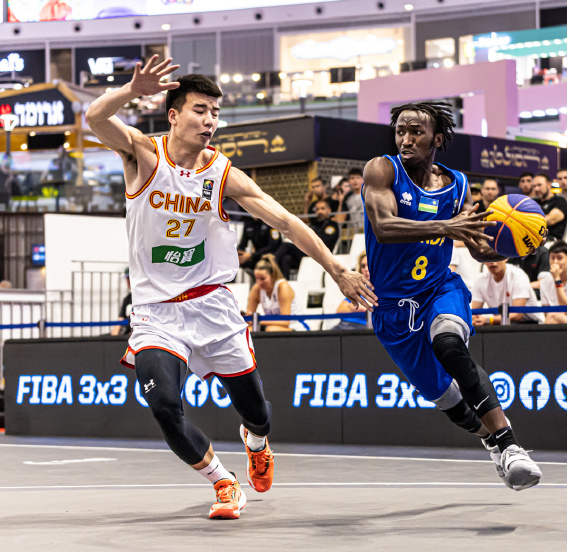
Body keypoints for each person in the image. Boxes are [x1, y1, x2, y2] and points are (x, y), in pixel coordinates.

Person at [86, 57, 376, 520]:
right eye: (200, 110)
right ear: (173, 114)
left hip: (213, 307)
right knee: (164, 406)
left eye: (216, 113)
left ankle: (256, 442)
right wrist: (130, 90)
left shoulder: (224, 175)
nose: (210, 121)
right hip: (156, 314)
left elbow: (286, 222)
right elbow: (95, 118)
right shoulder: (142, 154)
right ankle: (223, 481)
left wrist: (337, 269)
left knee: (257, 411)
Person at [363, 100, 542, 491]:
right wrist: (446, 227)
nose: (406, 139)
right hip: (393, 310)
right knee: (449, 402)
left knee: (448, 344)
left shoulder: (458, 184)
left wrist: (517, 246)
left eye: (416, 132)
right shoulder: (382, 170)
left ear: (437, 139)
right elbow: (384, 227)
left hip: (438, 288)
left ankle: (511, 447)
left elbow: (477, 249)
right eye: (401, 131)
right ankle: (491, 441)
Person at [274, 199, 340, 278]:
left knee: (286, 246)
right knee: (286, 259)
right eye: (317, 209)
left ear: (329, 210)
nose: (319, 211)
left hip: (320, 255)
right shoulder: (315, 225)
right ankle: (284, 282)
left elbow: (323, 241)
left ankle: (271, 262)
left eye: (322, 208)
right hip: (308, 253)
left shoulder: (331, 225)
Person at [471, 260, 543, 325]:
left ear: (505, 258)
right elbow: (475, 313)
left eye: (495, 257)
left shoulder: (518, 276)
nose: (492, 262)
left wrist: (488, 320)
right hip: (500, 322)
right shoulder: (480, 280)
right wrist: (477, 320)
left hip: (528, 323)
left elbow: (517, 315)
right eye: (488, 258)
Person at [246, 254, 307, 331]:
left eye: (263, 279)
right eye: (257, 279)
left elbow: (285, 322)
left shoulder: (283, 287)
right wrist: (248, 318)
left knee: (271, 330)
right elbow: (249, 317)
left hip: (296, 326)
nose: (259, 282)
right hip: (270, 326)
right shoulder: (256, 288)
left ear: (272, 275)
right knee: (248, 330)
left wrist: (258, 321)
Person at [332, 250, 369, 330]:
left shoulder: (381, 289)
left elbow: (369, 310)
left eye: (369, 265)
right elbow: (340, 310)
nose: (366, 269)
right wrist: (352, 306)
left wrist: (350, 306)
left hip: (361, 328)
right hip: (342, 325)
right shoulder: (358, 288)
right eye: (363, 266)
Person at [532, 172, 567, 240]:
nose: (536, 189)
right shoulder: (533, 202)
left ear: (549, 184)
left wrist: (528, 221)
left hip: (552, 241)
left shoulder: (559, 201)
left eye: (539, 185)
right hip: (533, 239)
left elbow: (550, 220)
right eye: (534, 186)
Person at [111, 267, 133, 336]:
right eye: (127, 278)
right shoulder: (127, 299)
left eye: (130, 278)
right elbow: (120, 318)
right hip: (127, 335)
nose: (128, 281)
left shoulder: (146, 298)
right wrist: (114, 336)